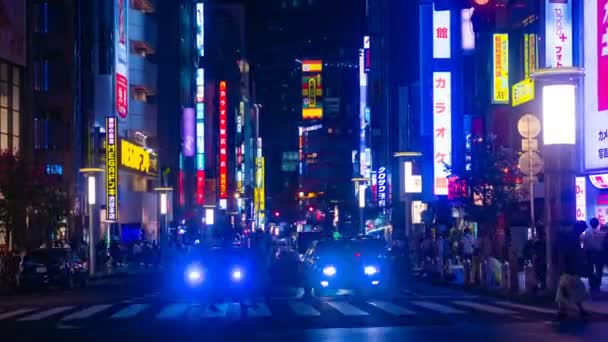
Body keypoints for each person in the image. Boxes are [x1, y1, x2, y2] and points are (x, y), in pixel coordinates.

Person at [556, 221, 590, 319]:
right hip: (569, 268)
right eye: (583, 229)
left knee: (570, 289)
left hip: (570, 267)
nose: (583, 231)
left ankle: (566, 310)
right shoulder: (572, 236)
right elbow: (569, 253)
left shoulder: (571, 235)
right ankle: (563, 310)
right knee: (568, 289)